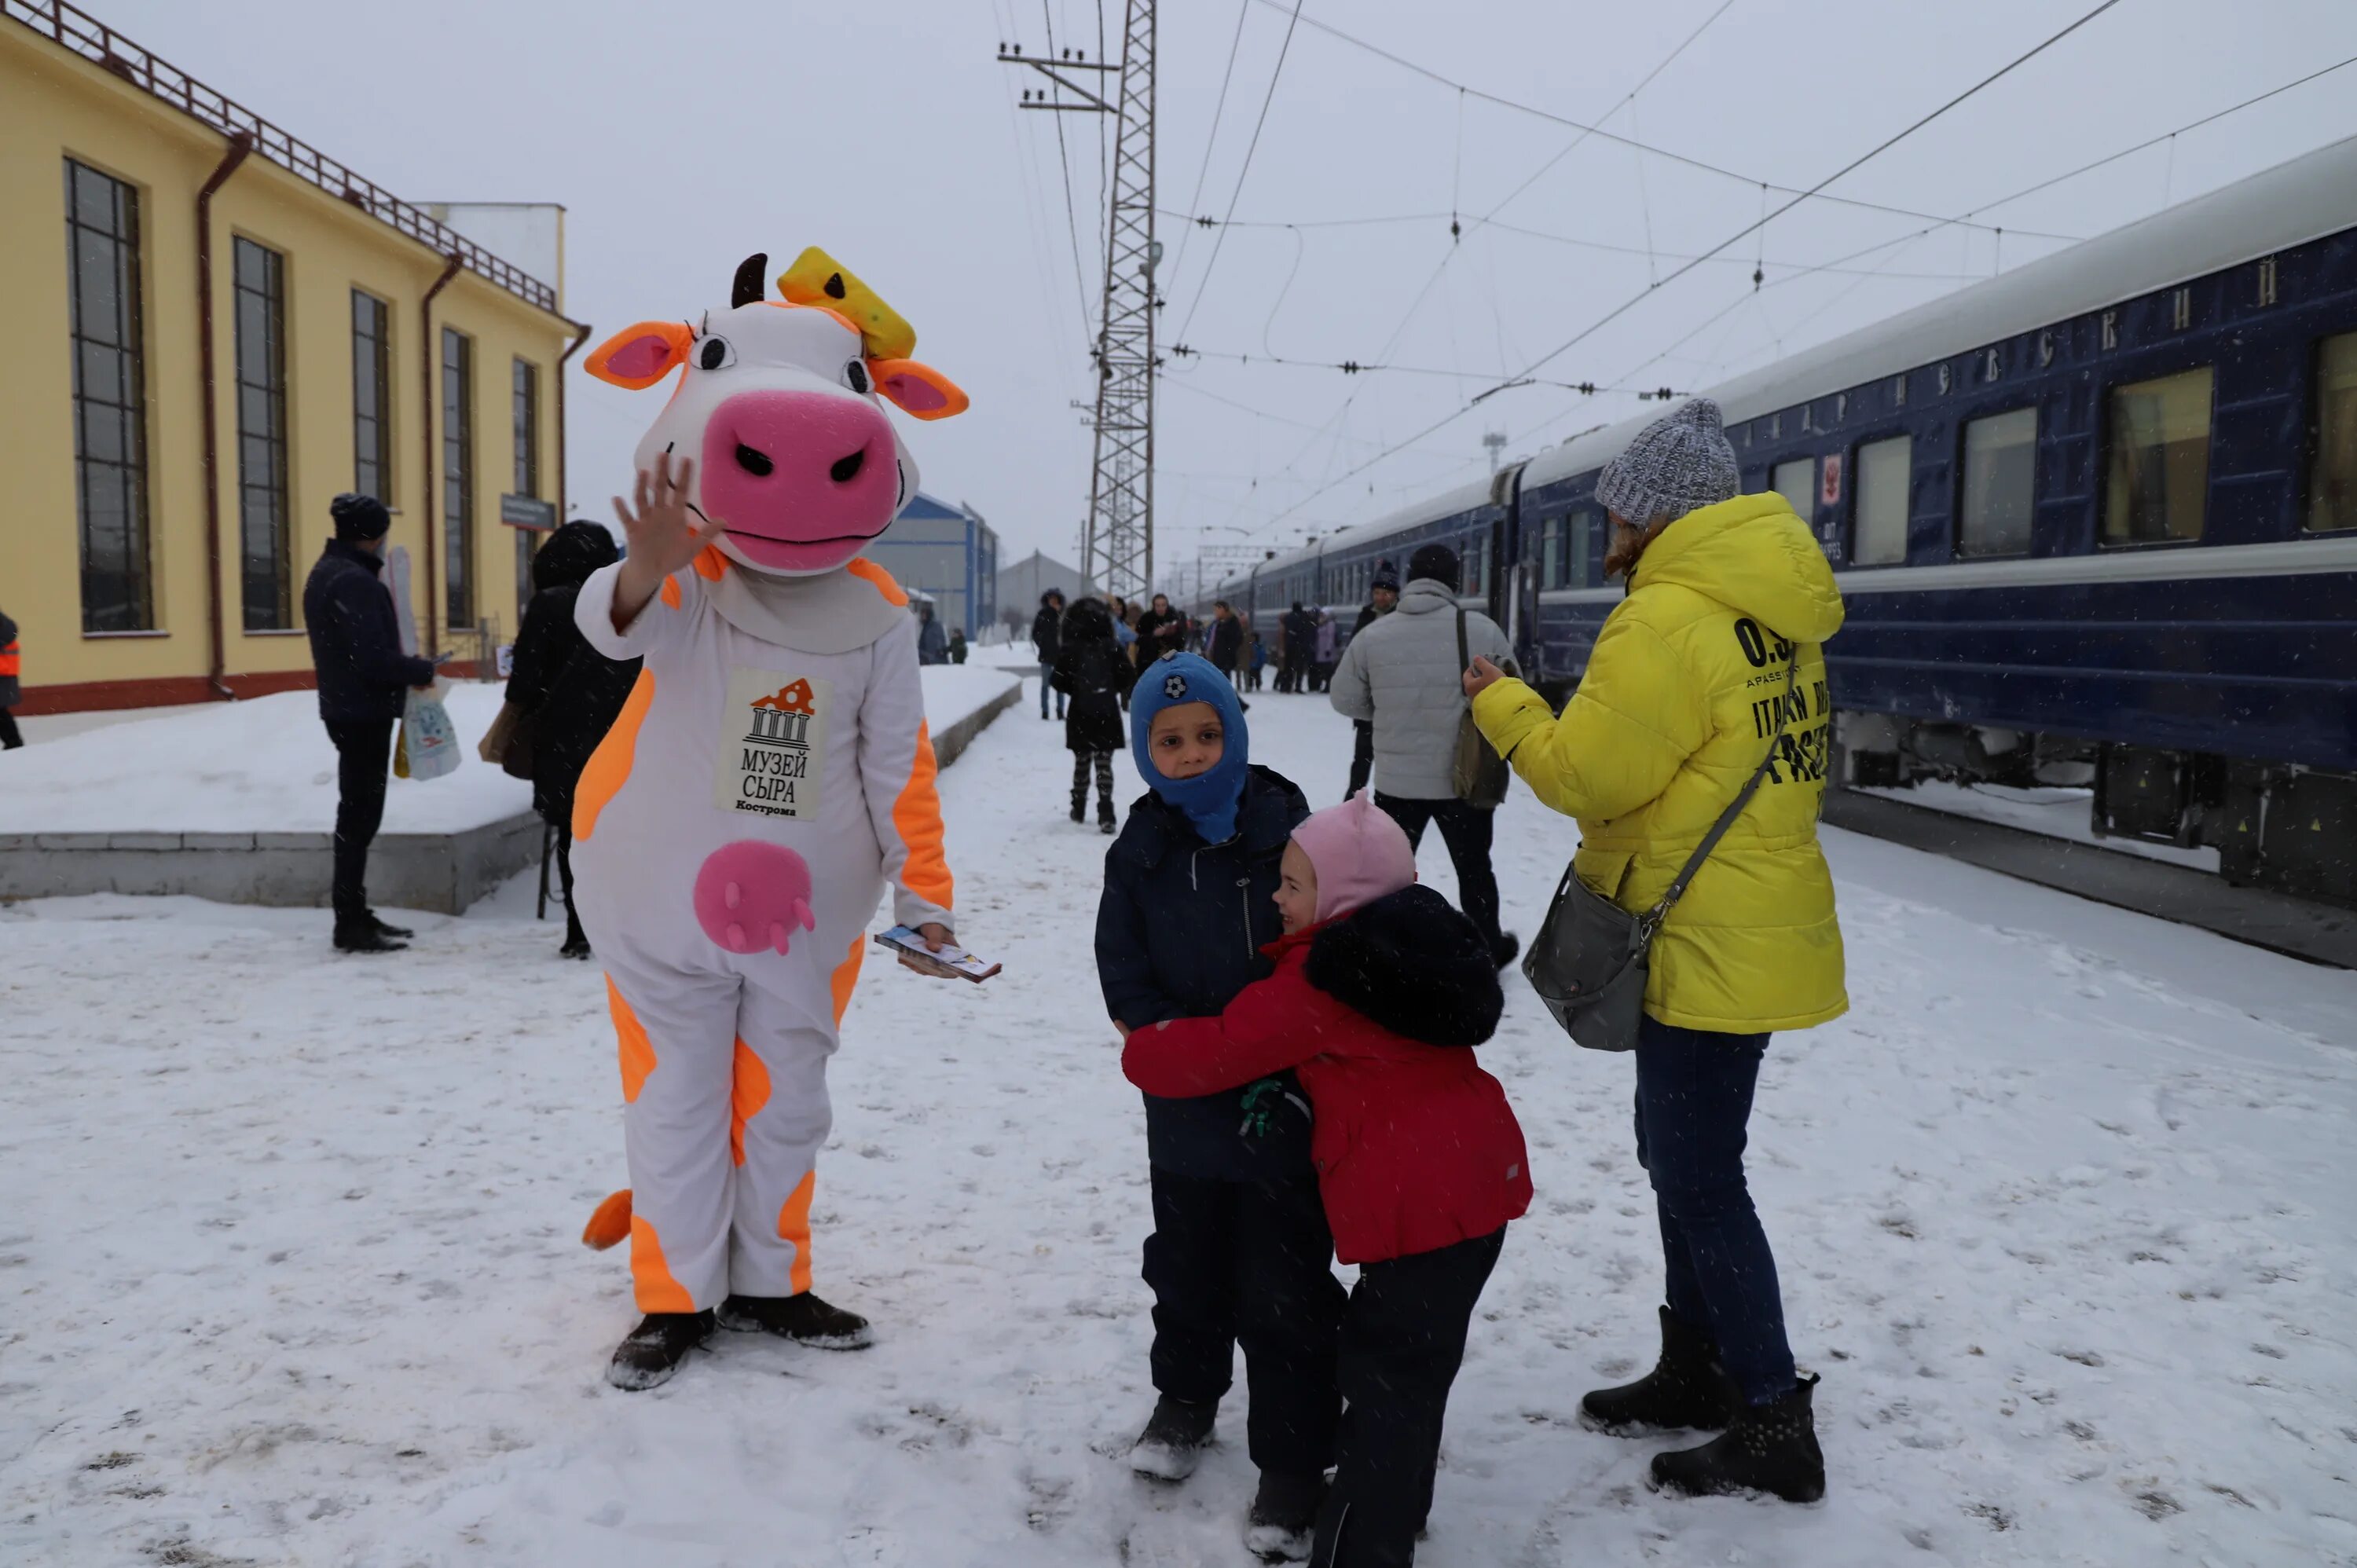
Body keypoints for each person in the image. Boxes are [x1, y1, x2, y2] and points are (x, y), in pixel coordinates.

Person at [1465, 397, 1846, 1504]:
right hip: (1746, 924)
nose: (1611, 530)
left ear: (1649, 516)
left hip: (1702, 936)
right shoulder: (1771, 614)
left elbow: (1585, 778)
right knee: (1680, 1157)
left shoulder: (1669, 617)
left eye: (1618, 511)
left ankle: (1773, 1417)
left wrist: (1505, 707)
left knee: (1698, 1173)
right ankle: (1697, 1366)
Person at [1124, 792, 1530, 1566]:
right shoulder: (1408, 950)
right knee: (1414, 1366)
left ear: (1340, 898)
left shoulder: (1329, 978)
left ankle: (1361, 1549)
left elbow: (1221, 1047)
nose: (1277, 897)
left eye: (1292, 884)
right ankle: (1403, 1508)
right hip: (1475, 1181)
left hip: (1423, 1204)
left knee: (1383, 1382)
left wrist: (1142, 1044)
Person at [1096, 652, 1343, 1559]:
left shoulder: (1288, 826)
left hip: (1283, 1102)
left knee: (1285, 1283)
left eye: (1207, 735)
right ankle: (1186, 1398)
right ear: (1145, 751)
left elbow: (1325, 940)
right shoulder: (1142, 848)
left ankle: (1294, 1453)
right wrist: (1164, 1043)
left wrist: (1276, 1049)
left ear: (1233, 734)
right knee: (1186, 1263)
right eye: (1170, 741)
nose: (1191, 753)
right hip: (1188, 1107)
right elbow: (1122, 965)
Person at [1329, 544, 1517, 969]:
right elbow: (1514, 693)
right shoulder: (1481, 630)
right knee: (1474, 872)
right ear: (1454, 580)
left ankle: (1381, 949)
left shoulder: (1374, 634)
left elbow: (1343, 699)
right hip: (1463, 781)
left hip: (1398, 784)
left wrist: (1383, 710)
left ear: (1411, 579)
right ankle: (1486, 948)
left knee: (1390, 876)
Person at [302, 493, 441, 954]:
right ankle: (350, 921)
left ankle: (355, 912)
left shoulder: (326, 573)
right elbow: (372, 659)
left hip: (345, 708)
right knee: (360, 818)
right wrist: (421, 670)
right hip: (363, 712)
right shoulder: (354, 582)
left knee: (356, 815)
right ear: (373, 535)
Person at [499, 520, 640, 960]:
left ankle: (580, 931)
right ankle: (623, 927)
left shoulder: (549, 604)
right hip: (623, 738)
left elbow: (523, 684)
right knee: (621, 833)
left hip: (562, 740)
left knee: (573, 835)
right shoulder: (625, 601)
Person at [1050, 596, 1127, 833]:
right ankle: (1106, 811)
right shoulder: (1112, 646)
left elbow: (1057, 681)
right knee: (1104, 763)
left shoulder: (1071, 648)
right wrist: (1109, 688)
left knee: (1082, 760)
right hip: (1106, 709)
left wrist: (1076, 688)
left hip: (1081, 710)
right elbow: (1127, 677)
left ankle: (1079, 806)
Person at [1344, 562, 1401, 799]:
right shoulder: (1366, 615)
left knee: (1394, 757)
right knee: (1362, 755)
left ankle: (1391, 801)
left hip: (1394, 699)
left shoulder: (1403, 617)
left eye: (1385, 593)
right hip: (1369, 698)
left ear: (1395, 595)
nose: (1380, 597)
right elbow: (1354, 650)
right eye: (1377, 593)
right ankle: (1353, 799)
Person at [1032, 589, 1068, 721]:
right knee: (1045, 685)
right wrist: (1041, 643)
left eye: (1055, 600)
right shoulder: (1042, 615)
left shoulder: (1062, 615)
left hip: (1060, 656)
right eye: (1051, 599)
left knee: (1060, 686)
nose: (1053, 602)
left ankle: (1060, 710)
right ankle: (1045, 711)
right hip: (1046, 654)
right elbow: (1035, 632)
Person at [1135, 592, 1186, 665]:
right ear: (1154, 606)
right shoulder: (1145, 619)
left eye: (1163, 605)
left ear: (1167, 606)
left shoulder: (1173, 618)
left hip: (1171, 660)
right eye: (1158, 606)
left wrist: (1170, 633)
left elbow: (1181, 641)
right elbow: (1139, 640)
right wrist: (1153, 634)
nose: (1161, 608)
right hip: (1148, 661)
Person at [1279, 601, 1316, 694]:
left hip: (1290, 645)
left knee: (1289, 666)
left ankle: (1287, 686)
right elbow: (1308, 630)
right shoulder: (1305, 617)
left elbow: (1286, 630)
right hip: (1301, 645)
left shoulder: (1288, 617)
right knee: (1300, 667)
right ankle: (1298, 686)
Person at [0, 605, 22, 749]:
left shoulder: (4, 628)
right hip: (5, 673)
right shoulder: (5, 626)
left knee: (1, 712)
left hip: (3, 675)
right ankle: (13, 742)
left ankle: (14, 743)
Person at [915, 599, 949, 665]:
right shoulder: (922, 626)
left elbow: (940, 642)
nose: (923, 617)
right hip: (926, 657)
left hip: (934, 659)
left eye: (925, 614)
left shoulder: (935, 626)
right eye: (922, 614)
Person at [1311, 609, 1339, 694]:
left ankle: (1328, 686)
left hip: (1327, 651)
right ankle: (1325, 686)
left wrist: (1328, 649)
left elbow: (1331, 637)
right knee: (1323, 669)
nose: (1322, 616)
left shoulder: (1330, 624)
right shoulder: (1321, 623)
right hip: (1320, 651)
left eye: (1324, 614)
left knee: (1328, 670)